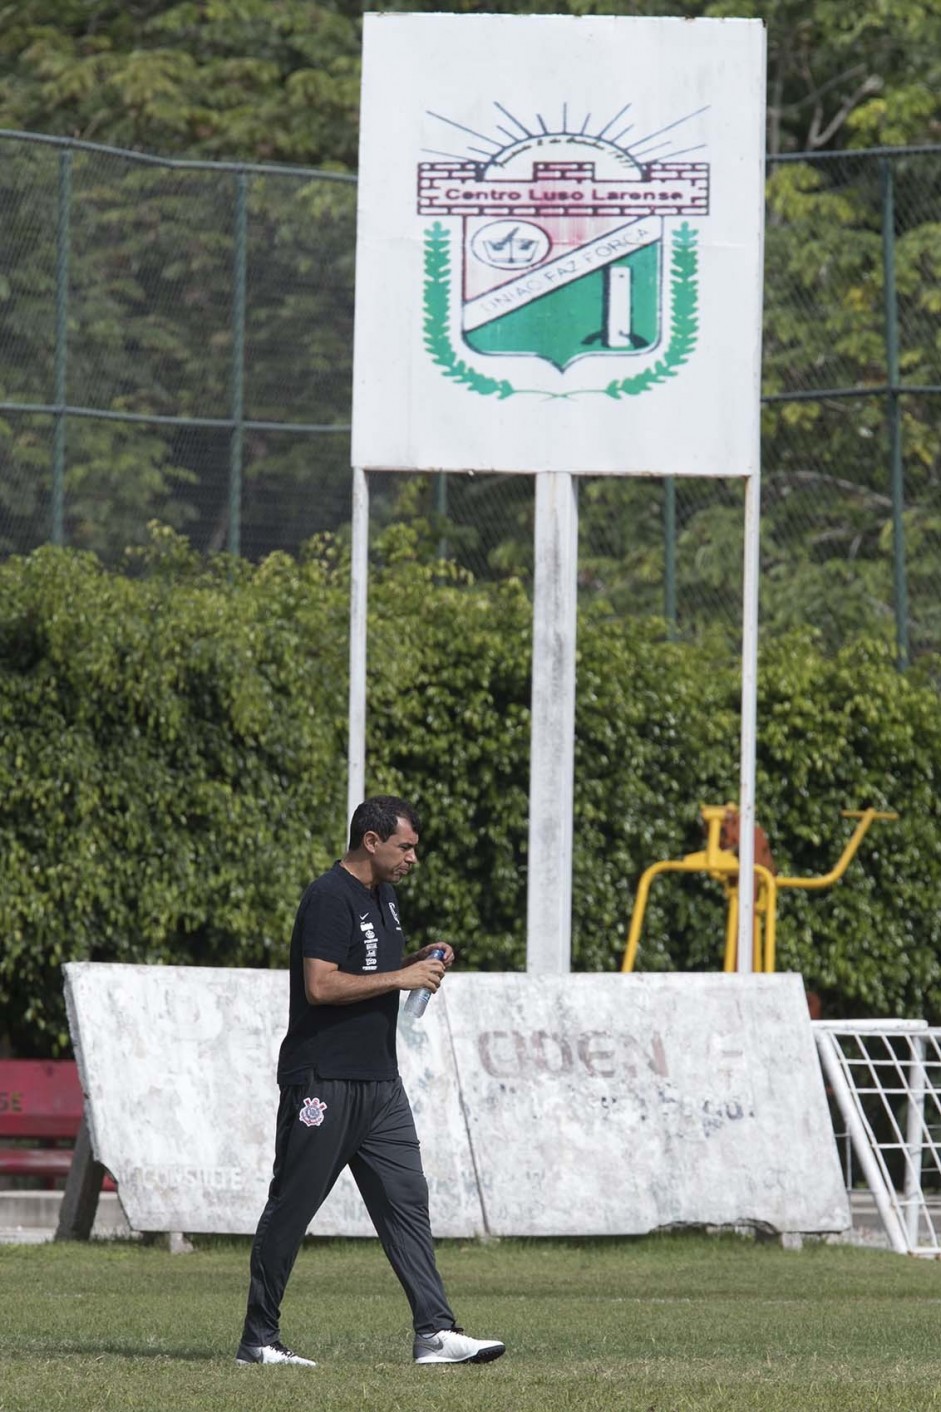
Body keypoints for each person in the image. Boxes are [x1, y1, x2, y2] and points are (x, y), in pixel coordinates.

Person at [236, 794, 505, 1368]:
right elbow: (322, 986)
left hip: (381, 1085)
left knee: (408, 1202)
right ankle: (258, 1341)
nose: (413, 858)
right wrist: (402, 974)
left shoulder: (386, 897)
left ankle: (434, 1333)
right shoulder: (328, 896)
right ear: (372, 841)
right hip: (323, 1081)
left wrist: (422, 958)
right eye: (406, 846)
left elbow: (374, 969)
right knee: (292, 1208)